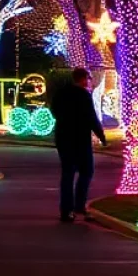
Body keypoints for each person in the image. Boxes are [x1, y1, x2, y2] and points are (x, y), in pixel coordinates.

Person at [50, 67, 106, 222]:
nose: (90, 81)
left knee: (68, 173)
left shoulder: (61, 93)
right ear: (83, 79)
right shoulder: (83, 95)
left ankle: (66, 210)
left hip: (63, 137)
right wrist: (102, 137)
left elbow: (54, 110)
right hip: (80, 139)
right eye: (89, 78)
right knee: (87, 171)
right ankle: (79, 205)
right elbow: (91, 117)